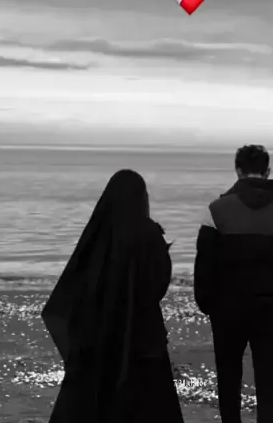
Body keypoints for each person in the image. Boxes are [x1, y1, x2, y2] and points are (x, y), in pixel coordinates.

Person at [41, 169, 184, 423]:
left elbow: (78, 281)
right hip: (144, 333)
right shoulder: (149, 234)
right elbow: (158, 287)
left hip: (99, 330)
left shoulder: (99, 233)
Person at [193, 145, 273, 423]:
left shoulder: (216, 210)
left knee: (228, 377)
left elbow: (204, 264)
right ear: (267, 171)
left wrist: (207, 303)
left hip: (227, 308)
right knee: (270, 381)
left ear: (238, 170)